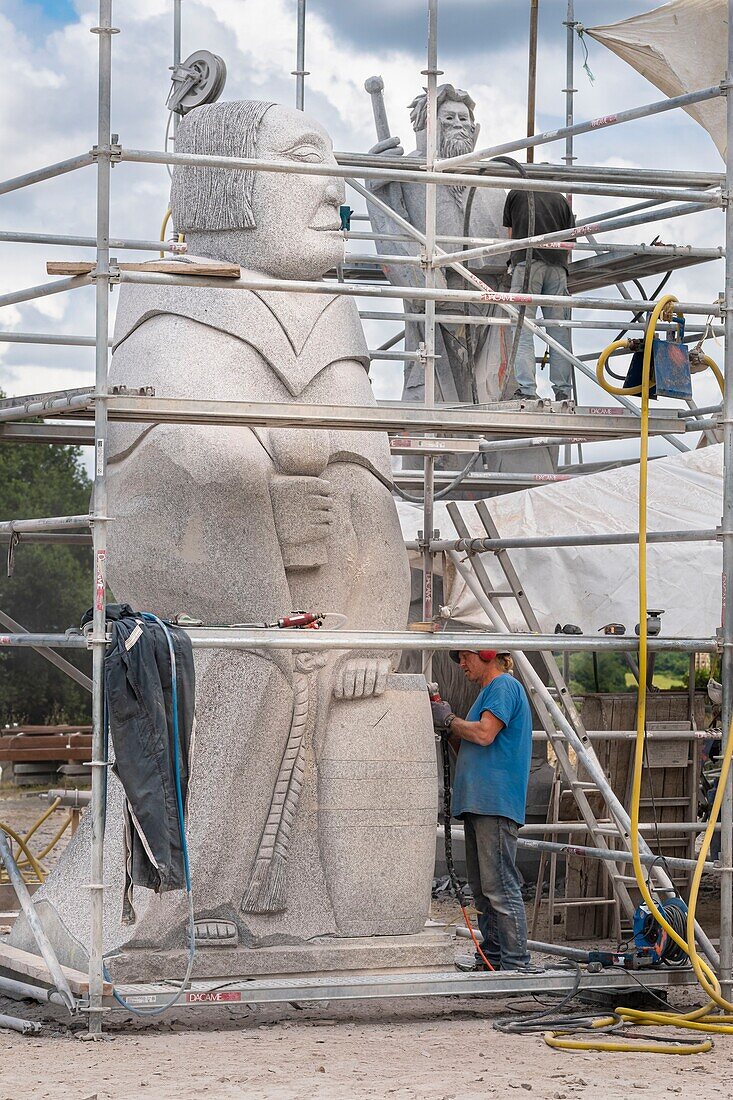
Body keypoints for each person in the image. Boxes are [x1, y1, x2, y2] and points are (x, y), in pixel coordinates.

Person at [431, 648, 535, 971]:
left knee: (499, 885)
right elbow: (469, 746)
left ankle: (516, 963)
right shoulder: (486, 695)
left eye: (465, 656)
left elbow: (486, 734)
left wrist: (449, 719)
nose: (461, 664)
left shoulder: (504, 687)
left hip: (495, 801)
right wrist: (449, 728)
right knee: (483, 888)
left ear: (488, 654)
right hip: (480, 803)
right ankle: (492, 957)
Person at [502, 187, 575, 401]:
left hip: (528, 264)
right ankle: (563, 391)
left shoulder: (517, 193)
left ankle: (527, 390)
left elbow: (512, 236)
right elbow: (569, 242)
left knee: (523, 329)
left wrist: (514, 263)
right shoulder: (560, 198)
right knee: (559, 331)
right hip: (558, 268)